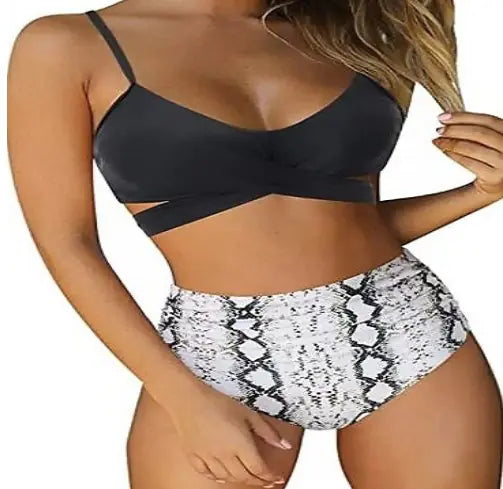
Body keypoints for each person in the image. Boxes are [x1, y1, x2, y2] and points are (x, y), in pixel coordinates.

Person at [7, 1, 503, 487]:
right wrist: (183, 399)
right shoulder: (66, 45)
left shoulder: (351, 32)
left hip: (402, 331)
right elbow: (67, 242)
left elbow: (352, 224)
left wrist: (481, 193)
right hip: (221, 354)